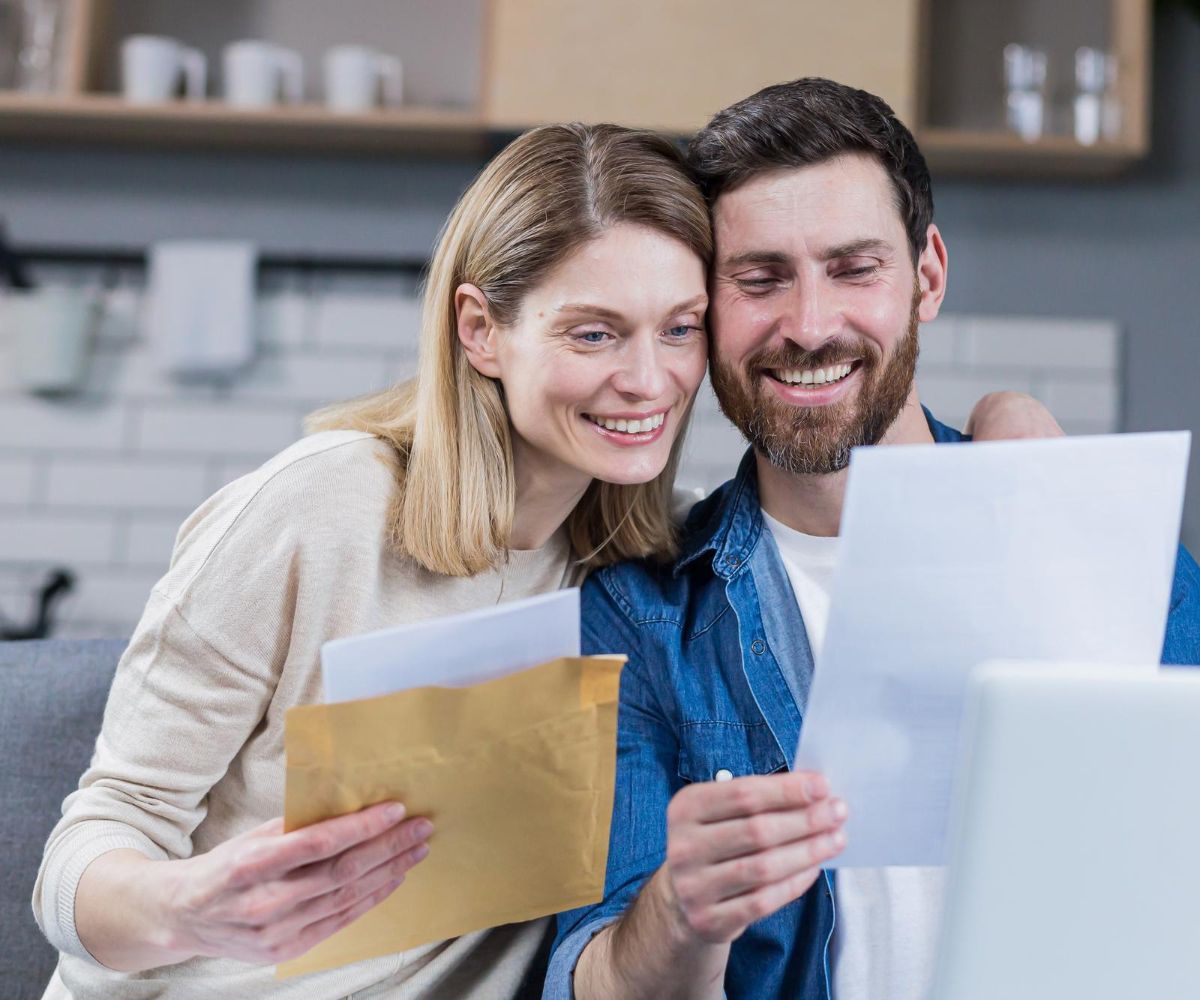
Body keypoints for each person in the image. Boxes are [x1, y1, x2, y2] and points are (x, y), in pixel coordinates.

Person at [31, 121, 1054, 999]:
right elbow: (87, 848)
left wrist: (1015, 427)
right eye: (594, 333)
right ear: (481, 329)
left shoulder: (648, 573)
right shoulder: (326, 505)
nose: (646, 380)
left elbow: (864, 521)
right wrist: (189, 909)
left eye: (681, 329)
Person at [547, 79, 1200, 1000]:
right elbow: (588, 976)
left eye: (853, 267)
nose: (808, 325)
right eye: (759, 279)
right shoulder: (641, 616)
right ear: (707, 309)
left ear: (928, 275)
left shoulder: (1100, 544)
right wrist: (679, 912)